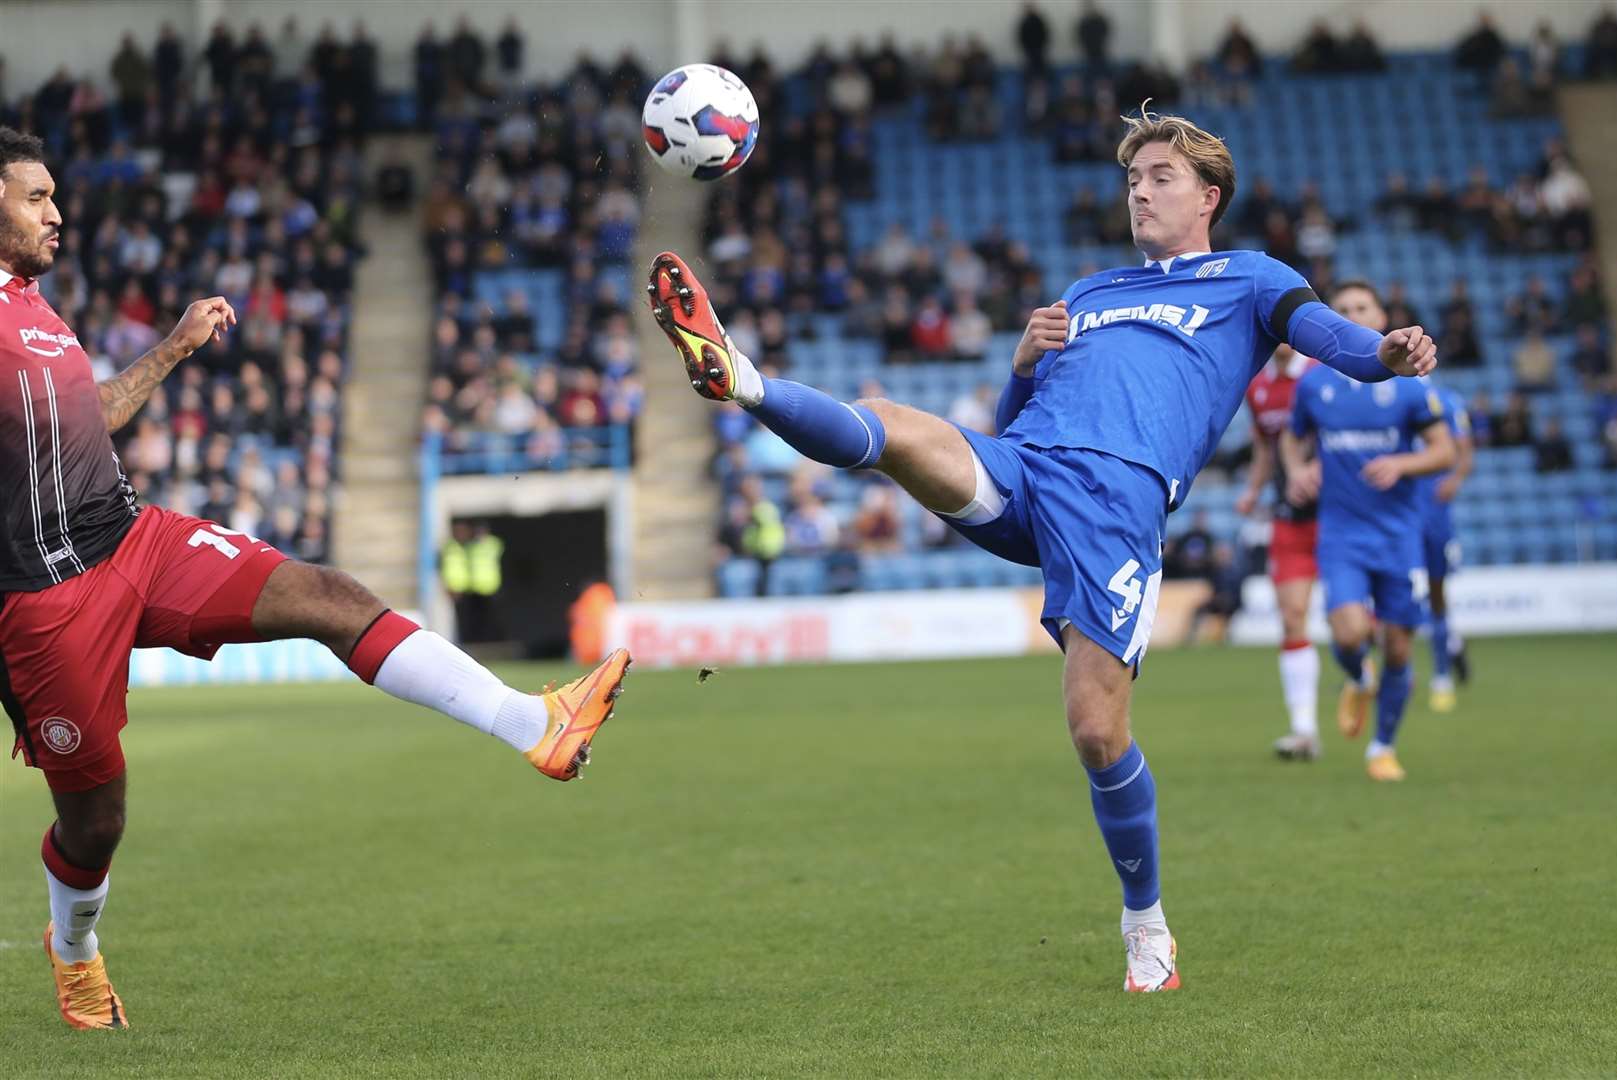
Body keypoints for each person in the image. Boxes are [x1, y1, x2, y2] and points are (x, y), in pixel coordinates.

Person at [646, 106, 1437, 991]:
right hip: (1029, 468)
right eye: (1132, 180)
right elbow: (1014, 424)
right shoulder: (1091, 292)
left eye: (1161, 177)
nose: (1140, 191)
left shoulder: (1249, 279)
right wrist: (1024, 360)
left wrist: (1387, 351)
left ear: (1209, 194)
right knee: (907, 429)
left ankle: (1147, 924)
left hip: (1116, 500)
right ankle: (743, 379)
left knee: (1097, 733)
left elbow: (1333, 340)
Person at [0, 128, 632, 1032]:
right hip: (45, 601)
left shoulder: (34, 309)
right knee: (96, 823)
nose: (58, 212)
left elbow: (87, 420)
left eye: (56, 194)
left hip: (132, 538)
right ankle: (75, 955)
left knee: (328, 597)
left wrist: (175, 348)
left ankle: (536, 724)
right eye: (35, 198)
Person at [1282, 280, 1455, 783]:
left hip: (1400, 535)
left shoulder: (1411, 385)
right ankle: (1358, 674)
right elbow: (1293, 442)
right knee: (1350, 631)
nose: (1352, 314)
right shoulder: (1315, 385)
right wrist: (1298, 471)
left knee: (1400, 647)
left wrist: (1402, 464)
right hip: (1341, 533)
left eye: (1361, 307)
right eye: (1341, 310)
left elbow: (1445, 452)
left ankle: (1382, 747)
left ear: (1381, 315)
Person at [1237, 343, 1322, 760]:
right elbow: (1265, 448)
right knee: (1291, 618)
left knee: (1360, 630)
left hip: (1343, 516)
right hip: (1289, 517)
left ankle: (1363, 676)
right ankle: (1304, 730)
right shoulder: (1258, 387)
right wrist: (1254, 490)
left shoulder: (1322, 373)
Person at [1415, 379, 1475, 711]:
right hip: (1400, 512)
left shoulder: (1448, 402)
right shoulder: (1386, 395)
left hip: (1434, 513)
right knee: (1389, 592)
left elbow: (1465, 455)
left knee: (1436, 594)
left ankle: (1441, 675)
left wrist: (1454, 480)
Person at [439, 519, 505, 643]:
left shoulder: (492, 544)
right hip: (470, 587)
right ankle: (474, 641)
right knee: (472, 618)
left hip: (490, 587)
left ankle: (494, 640)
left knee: (491, 618)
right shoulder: (464, 546)